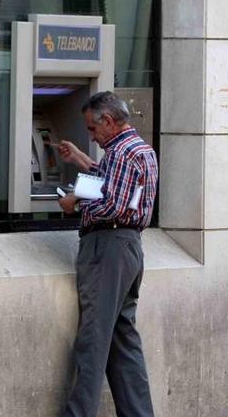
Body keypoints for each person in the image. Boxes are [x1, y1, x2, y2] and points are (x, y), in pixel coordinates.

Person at [56, 91, 158, 417]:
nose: (91, 136)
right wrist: (81, 161)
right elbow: (120, 189)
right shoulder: (139, 149)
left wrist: (74, 201)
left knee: (93, 341)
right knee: (122, 341)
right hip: (129, 248)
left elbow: (113, 203)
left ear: (109, 121)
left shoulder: (119, 153)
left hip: (107, 248)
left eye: (92, 129)